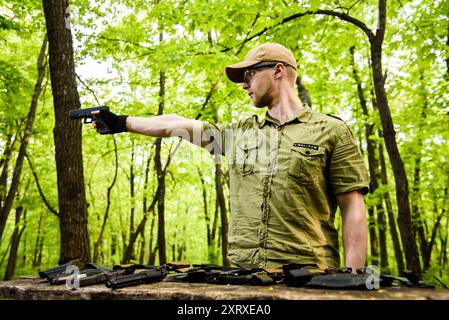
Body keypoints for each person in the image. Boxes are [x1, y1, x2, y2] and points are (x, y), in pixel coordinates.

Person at [92, 43, 370, 273]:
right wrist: (120, 122)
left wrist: (354, 278)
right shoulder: (238, 135)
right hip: (246, 276)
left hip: (311, 274)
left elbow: (352, 207)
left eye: (249, 74)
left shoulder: (331, 131)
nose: (244, 84)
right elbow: (173, 123)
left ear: (278, 71)